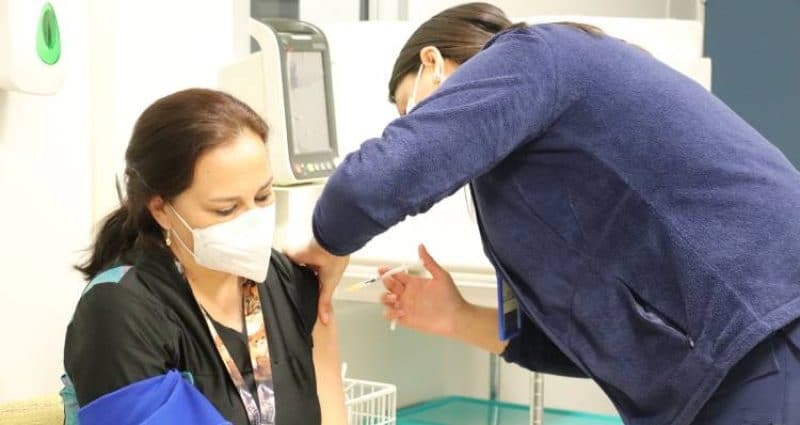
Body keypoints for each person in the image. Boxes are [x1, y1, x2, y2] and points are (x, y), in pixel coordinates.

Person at [287, 3, 800, 424]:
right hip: (727, 364)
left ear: (432, 62)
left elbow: (378, 180)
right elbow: (591, 343)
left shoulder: (531, 55)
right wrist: (456, 317)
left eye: (410, 110)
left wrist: (322, 244)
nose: (418, 123)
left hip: (764, 335)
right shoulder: (526, 172)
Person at [62, 89, 347, 425]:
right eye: (226, 209)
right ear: (161, 209)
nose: (251, 219)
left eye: (262, 196)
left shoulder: (292, 284)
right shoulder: (120, 310)